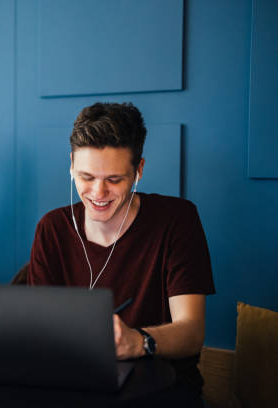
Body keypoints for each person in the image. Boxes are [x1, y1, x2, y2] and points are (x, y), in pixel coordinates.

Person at [28, 102, 215, 406]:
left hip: (161, 391)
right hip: (74, 388)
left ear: (138, 170)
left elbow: (192, 331)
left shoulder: (177, 220)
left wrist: (139, 342)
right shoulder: (52, 228)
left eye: (114, 180)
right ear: (71, 165)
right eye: (86, 177)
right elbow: (40, 330)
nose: (98, 194)